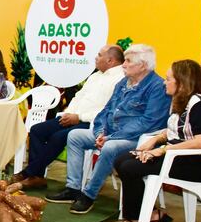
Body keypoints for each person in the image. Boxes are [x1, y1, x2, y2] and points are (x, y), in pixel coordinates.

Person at [46, 44, 171, 214]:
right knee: (75, 135)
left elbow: (148, 122)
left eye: (128, 61)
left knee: (110, 147)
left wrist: (112, 137)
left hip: (137, 139)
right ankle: (73, 188)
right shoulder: (123, 83)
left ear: (142, 65)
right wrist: (101, 132)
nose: (124, 65)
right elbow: (106, 110)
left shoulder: (158, 87)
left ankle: (89, 195)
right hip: (110, 133)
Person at [113, 60, 201, 222]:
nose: (164, 82)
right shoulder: (182, 101)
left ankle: (139, 218)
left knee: (130, 167)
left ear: (182, 83)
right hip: (179, 156)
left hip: (195, 164)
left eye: (168, 78)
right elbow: (175, 129)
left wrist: (162, 150)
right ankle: (151, 213)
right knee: (121, 159)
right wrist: (156, 139)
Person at [13, 45, 126, 189]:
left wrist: (78, 117)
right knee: (37, 130)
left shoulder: (119, 79)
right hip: (73, 117)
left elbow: (106, 110)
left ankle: (28, 173)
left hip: (92, 123)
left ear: (110, 60)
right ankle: (38, 177)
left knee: (58, 137)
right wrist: (69, 114)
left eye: (99, 55)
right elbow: (79, 96)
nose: (95, 58)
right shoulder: (95, 76)